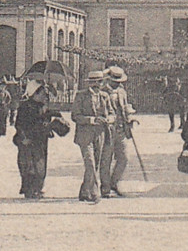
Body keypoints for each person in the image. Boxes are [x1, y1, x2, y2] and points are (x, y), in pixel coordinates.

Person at [12, 80, 65, 199]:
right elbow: (19, 125)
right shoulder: (25, 106)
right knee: (28, 165)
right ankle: (29, 190)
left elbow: (49, 117)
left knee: (40, 165)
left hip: (41, 139)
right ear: (34, 94)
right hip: (28, 139)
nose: (44, 96)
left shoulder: (43, 106)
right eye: (42, 93)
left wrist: (56, 118)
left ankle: (38, 188)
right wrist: (24, 138)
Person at [72, 70, 111, 204]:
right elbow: (75, 116)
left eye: (99, 82)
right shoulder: (81, 96)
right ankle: (95, 193)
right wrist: (91, 120)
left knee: (96, 164)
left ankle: (84, 191)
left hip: (100, 133)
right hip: (85, 135)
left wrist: (109, 119)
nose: (96, 85)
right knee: (90, 162)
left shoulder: (105, 96)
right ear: (89, 83)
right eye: (94, 82)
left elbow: (112, 113)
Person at [100, 66, 134, 198]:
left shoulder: (121, 92)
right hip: (106, 131)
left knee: (124, 158)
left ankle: (114, 183)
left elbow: (125, 107)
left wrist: (129, 117)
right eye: (115, 81)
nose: (118, 83)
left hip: (120, 129)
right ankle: (105, 188)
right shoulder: (102, 92)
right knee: (106, 160)